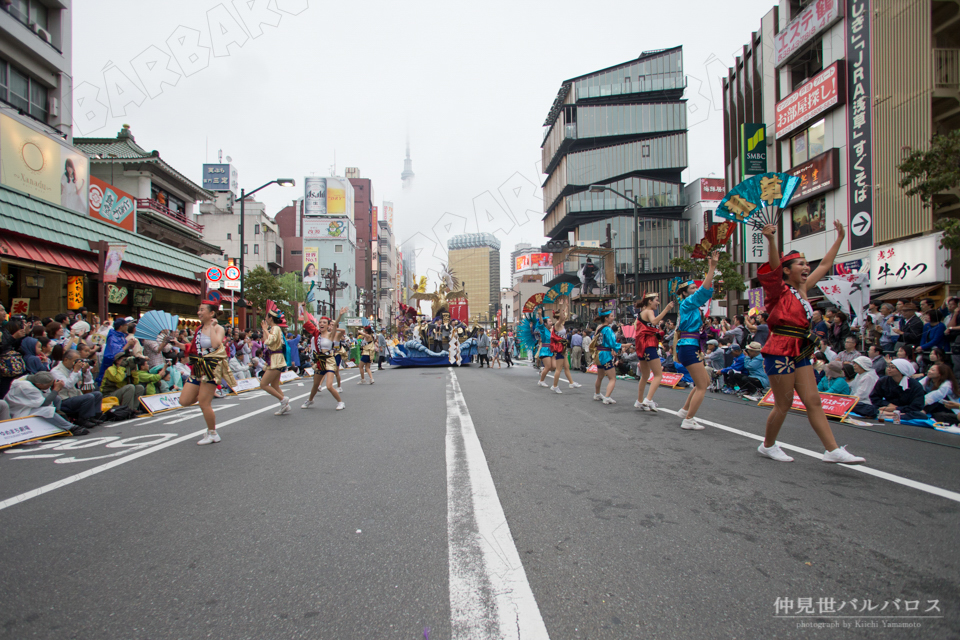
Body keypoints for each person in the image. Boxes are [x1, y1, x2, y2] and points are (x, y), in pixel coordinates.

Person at [755, 221, 865, 464]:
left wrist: (839, 238)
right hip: (780, 349)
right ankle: (768, 445)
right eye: (801, 264)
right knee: (783, 403)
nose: (806, 267)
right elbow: (774, 267)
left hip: (801, 349)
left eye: (806, 264)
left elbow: (825, 265)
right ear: (786, 270)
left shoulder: (803, 289)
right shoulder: (778, 290)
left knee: (813, 400)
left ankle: (832, 449)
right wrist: (771, 240)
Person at [172, 296, 235, 444]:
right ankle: (203, 396)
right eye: (199, 309)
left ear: (211, 313)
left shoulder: (219, 328)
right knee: (184, 400)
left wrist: (212, 327)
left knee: (204, 403)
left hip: (211, 368)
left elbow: (215, 344)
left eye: (202, 310)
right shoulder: (198, 329)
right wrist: (179, 345)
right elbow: (194, 349)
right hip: (197, 368)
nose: (199, 312)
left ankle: (213, 433)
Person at [674, 251, 721, 430]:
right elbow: (704, 292)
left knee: (705, 382)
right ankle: (688, 419)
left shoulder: (691, 307)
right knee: (702, 385)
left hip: (690, 346)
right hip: (688, 346)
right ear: (685, 293)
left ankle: (686, 410)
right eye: (692, 289)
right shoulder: (687, 304)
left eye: (695, 288)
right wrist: (712, 268)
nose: (695, 290)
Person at [6, 372, 89, 435]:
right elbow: (44, 404)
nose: (49, 387)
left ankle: (58, 419)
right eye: (48, 386)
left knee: (57, 398)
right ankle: (72, 428)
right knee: (47, 410)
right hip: (19, 410)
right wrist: (55, 389)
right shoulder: (25, 386)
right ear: (40, 384)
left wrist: (54, 391)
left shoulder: (32, 380)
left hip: (28, 406)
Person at [633, 292, 674, 412]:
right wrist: (666, 309)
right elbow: (655, 321)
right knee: (658, 374)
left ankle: (639, 401)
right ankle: (648, 399)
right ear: (650, 301)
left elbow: (639, 327)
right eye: (657, 300)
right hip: (649, 344)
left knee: (645, 375)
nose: (658, 302)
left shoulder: (641, 313)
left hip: (642, 346)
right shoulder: (649, 311)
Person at [302, 308, 348, 411]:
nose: (321, 324)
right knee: (315, 384)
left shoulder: (331, 335)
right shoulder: (316, 334)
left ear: (328, 325)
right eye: (320, 322)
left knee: (329, 385)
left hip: (330, 360)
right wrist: (304, 309)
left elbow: (335, 325)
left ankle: (340, 402)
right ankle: (310, 400)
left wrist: (340, 315)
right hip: (320, 361)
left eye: (324, 323)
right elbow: (307, 323)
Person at [50, 349, 103, 429]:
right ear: (66, 359)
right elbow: (68, 385)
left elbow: (88, 380)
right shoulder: (56, 371)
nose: (76, 363)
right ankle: (82, 419)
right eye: (75, 361)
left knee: (98, 394)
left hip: (75, 396)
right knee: (89, 397)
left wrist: (85, 371)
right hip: (64, 400)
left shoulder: (73, 369)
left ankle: (94, 417)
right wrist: (75, 371)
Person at [259, 302, 291, 414]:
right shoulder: (274, 328)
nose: (265, 319)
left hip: (275, 359)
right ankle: (285, 405)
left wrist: (264, 330)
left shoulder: (275, 328)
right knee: (274, 385)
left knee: (263, 384)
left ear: (270, 318)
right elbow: (266, 341)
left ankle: (283, 399)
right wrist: (265, 330)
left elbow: (270, 341)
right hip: (275, 358)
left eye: (266, 317)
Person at [592, 309, 621, 404]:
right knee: (612, 378)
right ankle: (607, 397)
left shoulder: (599, 327)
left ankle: (597, 394)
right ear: (606, 318)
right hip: (605, 354)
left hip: (598, 354)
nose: (613, 318)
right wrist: (622, 346)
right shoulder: (607, 329)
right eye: (611, 316)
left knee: (600, 376)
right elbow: (613, 343)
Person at [550, 300, 580, 392]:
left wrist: (566, 306)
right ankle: (554, 386)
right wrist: (561, 306)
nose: (564, 316)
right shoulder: (557, 324)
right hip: (559, 348)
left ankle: (571, 383)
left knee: (566, 366)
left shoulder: (561, 324)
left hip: (563, 348)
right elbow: (563, 316)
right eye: (562, 314)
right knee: (558, 369)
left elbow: (564, 316)